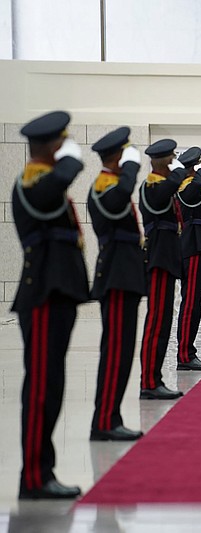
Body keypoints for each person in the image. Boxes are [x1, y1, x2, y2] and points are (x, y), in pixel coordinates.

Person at [13, 111, 88, 499]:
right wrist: (72, 159)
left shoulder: (44, 180)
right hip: (42, 293)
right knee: (42, 387)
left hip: (57, 292)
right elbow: (56, 183)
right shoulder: (32, 180)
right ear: (49, 145)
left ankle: (43, 472)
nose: (65, 148)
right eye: (62, 142)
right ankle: (33, 477)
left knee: (52, 385)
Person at [86, 127, 146, 441]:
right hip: (116, 275)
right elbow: (122, 195)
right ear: (116, 156)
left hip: (125, 274)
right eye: (126, 155)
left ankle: (110, 417)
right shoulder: (104, 186)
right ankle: (105, 421)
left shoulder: (110, 185)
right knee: (116, 351)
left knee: (122, 352)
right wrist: (133, 168)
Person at [138, 139, 186, 400]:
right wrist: (178, 171)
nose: (172, 165)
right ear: (160, 161)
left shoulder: (162, 185)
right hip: (157, 257)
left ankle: (154, 379)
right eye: (170, 160)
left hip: (167, 258)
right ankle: (148, 382)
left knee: (163, 321)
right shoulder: (151, 186)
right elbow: (162, 196)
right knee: (156, 321)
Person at [175, 147, 201, 371]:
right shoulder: (185, 187)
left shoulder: (192, 185)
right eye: (198, 165)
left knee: (194, 304)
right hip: (193, 248)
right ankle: (184, 355)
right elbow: (194, 191)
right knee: (190, 303)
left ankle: (189, 352)